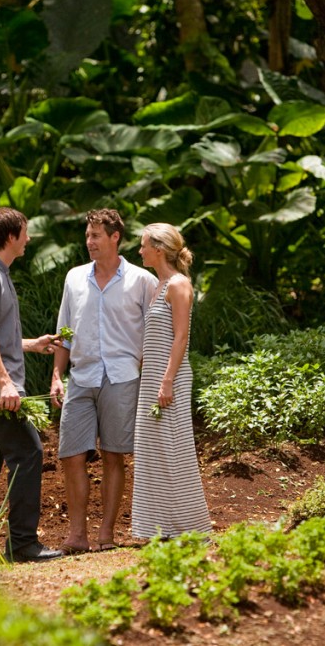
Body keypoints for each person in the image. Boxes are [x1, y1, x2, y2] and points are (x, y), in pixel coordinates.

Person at [0, 207, 64, 563]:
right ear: (11, 237)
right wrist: (5, 383)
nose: (29, 238)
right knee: (29, 453)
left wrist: (32, 345)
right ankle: (22, 544)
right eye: (25, 232)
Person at [50, 209, 157, 553]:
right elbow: (64, 333)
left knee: (114, 455)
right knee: (71, 455)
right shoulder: (74, 278)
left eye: (96, 235)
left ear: (115, 238)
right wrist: (56, 375)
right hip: (81, 376)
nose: (89, 242)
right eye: (87, 235)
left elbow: (155, 333)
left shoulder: (142, 280)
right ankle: (76, 534)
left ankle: (106, 534)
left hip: (123, 377)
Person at [131, 222, 211, 540]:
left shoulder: (179, 285)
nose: (140, 250)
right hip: (152, 377)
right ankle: (157, 528)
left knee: (174, 451)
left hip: (170, 379)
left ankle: (190, 527)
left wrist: (166, 381)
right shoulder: (158, 287)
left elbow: (180, 338)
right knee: (153, 452)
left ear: (159, 249)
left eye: (143, 245)